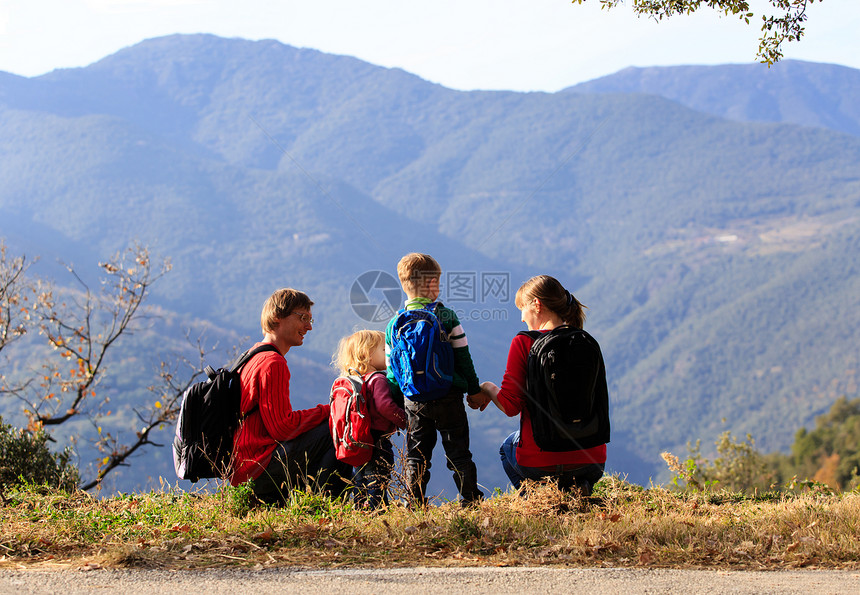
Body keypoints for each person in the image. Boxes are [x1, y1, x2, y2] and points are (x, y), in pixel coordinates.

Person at [473, 275, 609, 496]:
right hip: (592, 460)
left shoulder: (524, 342)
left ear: (536, 305)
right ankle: (577, 487)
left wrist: (488, 388)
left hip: (540, 462)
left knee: (507, 447)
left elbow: (510, 406)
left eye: (522, 309)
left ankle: (537, 498)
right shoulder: (585, 341)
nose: (521, 318)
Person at [230, 288, 350, 504]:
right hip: (258, 468)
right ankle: (325, 506)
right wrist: (328, 410)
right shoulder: (272, 363)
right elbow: (282, 427)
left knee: (325, 426)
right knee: (334, 427)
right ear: (278, 317)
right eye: (303, 318)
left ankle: (299, 501)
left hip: (244, 468)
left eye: (310, 319)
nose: (309, 326)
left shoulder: (252, 356)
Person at [386, 252, 485, 505]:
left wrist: (398, 403)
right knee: (459, 453)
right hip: (448, 395)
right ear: (431, 284)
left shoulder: (394, 324)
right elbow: (464, 358)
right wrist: (473, 390)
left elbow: (393, 373)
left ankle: (414, 503)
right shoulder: (447, 316)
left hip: (414, 400)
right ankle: (470, 499)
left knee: (416, 455)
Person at [332, 330, 407, 509]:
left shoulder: (355, 380)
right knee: (379, 476)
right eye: (383, 349)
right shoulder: (378, 380)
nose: (388, 353)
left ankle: (360, 507)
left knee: (360, 477)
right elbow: (384, 406)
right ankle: (377, 508)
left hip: (358, 438)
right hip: (378, 438)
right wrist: (405, 420)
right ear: (368, 355)